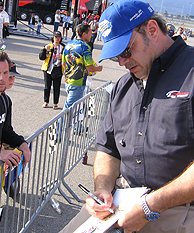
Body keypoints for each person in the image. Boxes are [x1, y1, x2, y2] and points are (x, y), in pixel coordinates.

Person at [60, 0, 194, 232]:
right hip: (123, 200)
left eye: (125, 51)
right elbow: (107, 148)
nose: (122, 62)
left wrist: (150, 205)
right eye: (115, 56)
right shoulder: (124, 86)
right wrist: (102, 188)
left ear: (152, 29)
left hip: (178, 207)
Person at [62, 23, 102, 110]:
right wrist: (98, 68)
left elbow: (63, 64)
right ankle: (58, 124)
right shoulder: (85, 47)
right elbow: (89, 67)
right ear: (84, 34)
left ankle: (74, 124)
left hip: (68, 81)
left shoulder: (68, 44)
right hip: (78, 83)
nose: (92, 35)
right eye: (90, 33)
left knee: (75, 109)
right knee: (67, 109)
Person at [39, 31, 65, 110]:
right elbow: (41, 57)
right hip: (48, 68)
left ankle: (55, 103)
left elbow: (68, 58)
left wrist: (62, 57)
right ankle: (46, 101)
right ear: (53, 38)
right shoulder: (48, 46)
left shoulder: (63, 47)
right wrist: (44, 50)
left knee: (57, 87)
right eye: (56, 37)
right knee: (47, 86)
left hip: (58, 68)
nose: (57, 39)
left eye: (59, 37)